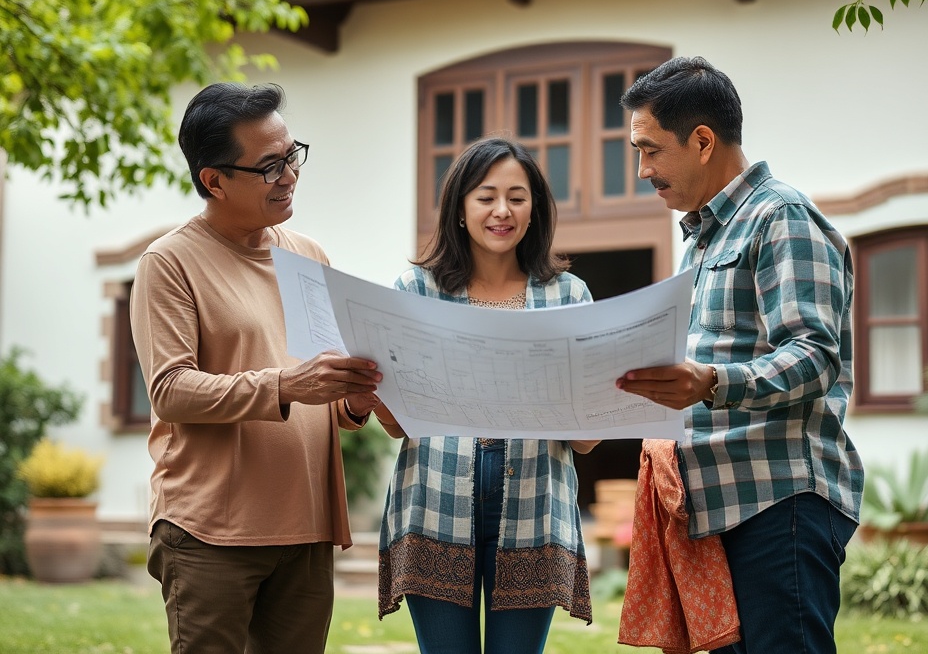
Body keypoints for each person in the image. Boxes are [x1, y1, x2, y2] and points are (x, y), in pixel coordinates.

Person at [615, 57, 864, 654]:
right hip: (717, 509)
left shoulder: (781, 217)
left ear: (702, 141)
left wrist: (709, 382)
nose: (642, 170)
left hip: (778, 505)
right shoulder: (703, 238)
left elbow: (813, 356)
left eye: (649, 150)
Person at [130, 82, 382, 654]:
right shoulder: (168, 263)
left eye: (292, 156)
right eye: (269, 166)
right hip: (210, 531)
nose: (290, 175)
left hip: (307, 524)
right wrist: (286, 385)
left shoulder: (308, 254)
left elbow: (326, 386)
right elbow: (170, 389)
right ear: (213, 179)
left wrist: (354, 399)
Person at [374, 136, 598, 654]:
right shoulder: (415, 291)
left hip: (535, 503)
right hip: (434, 496)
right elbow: (396, 423)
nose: (502, 211)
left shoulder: (571, 296)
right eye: (486, 196)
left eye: (518, 198)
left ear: (535, 209)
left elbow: (586, 441)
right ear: (459, 208)